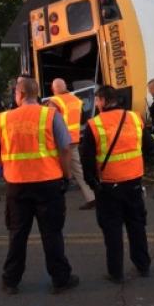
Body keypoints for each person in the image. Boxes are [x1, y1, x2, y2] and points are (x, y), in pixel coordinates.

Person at [0, 77, 78, 295]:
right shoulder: (50, 115)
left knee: (17, 234)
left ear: (20, 94)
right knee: (52, 233)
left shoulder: (4, 119)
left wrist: (6, 165)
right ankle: (60, 279)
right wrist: (66, 174)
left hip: (17, 184)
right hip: (48, 183)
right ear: (36, 93)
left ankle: (10, 280)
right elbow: (65, 148)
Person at [82, 86, 151, 283]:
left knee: (112, 230)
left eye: (96, 100)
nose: (95, 104)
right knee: (137, 224)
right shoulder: (135, 118)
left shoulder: (94, 125)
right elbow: (147, 146)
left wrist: (92, 183)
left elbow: (87, 159)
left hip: (108, 185)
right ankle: (143, 265)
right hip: (134, 182)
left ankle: (116, 272)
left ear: (103, 100)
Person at [49, 78, 96, 210]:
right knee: (78, 170)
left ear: (53, 89)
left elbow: (51, 122)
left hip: (60, 141)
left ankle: (53, 201)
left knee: (53, 170)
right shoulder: (76, 99)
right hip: (74, 139)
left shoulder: (55, 101)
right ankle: (92, 196)